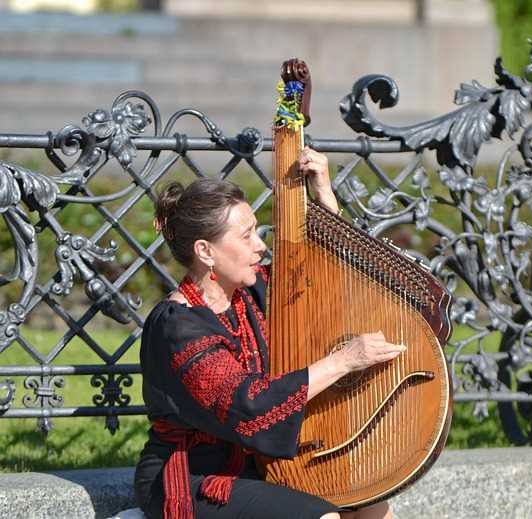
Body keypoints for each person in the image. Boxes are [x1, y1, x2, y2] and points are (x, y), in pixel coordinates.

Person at [134, 147, 404, 519]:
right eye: (246, 237)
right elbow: (249, 405)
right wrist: (344, 361)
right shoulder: (177, 326)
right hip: (195, 476)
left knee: (372, 502)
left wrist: (325, 198)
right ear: (205, 251)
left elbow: (324, 273)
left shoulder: (253, 292)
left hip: (259, 464)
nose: (260, 246)